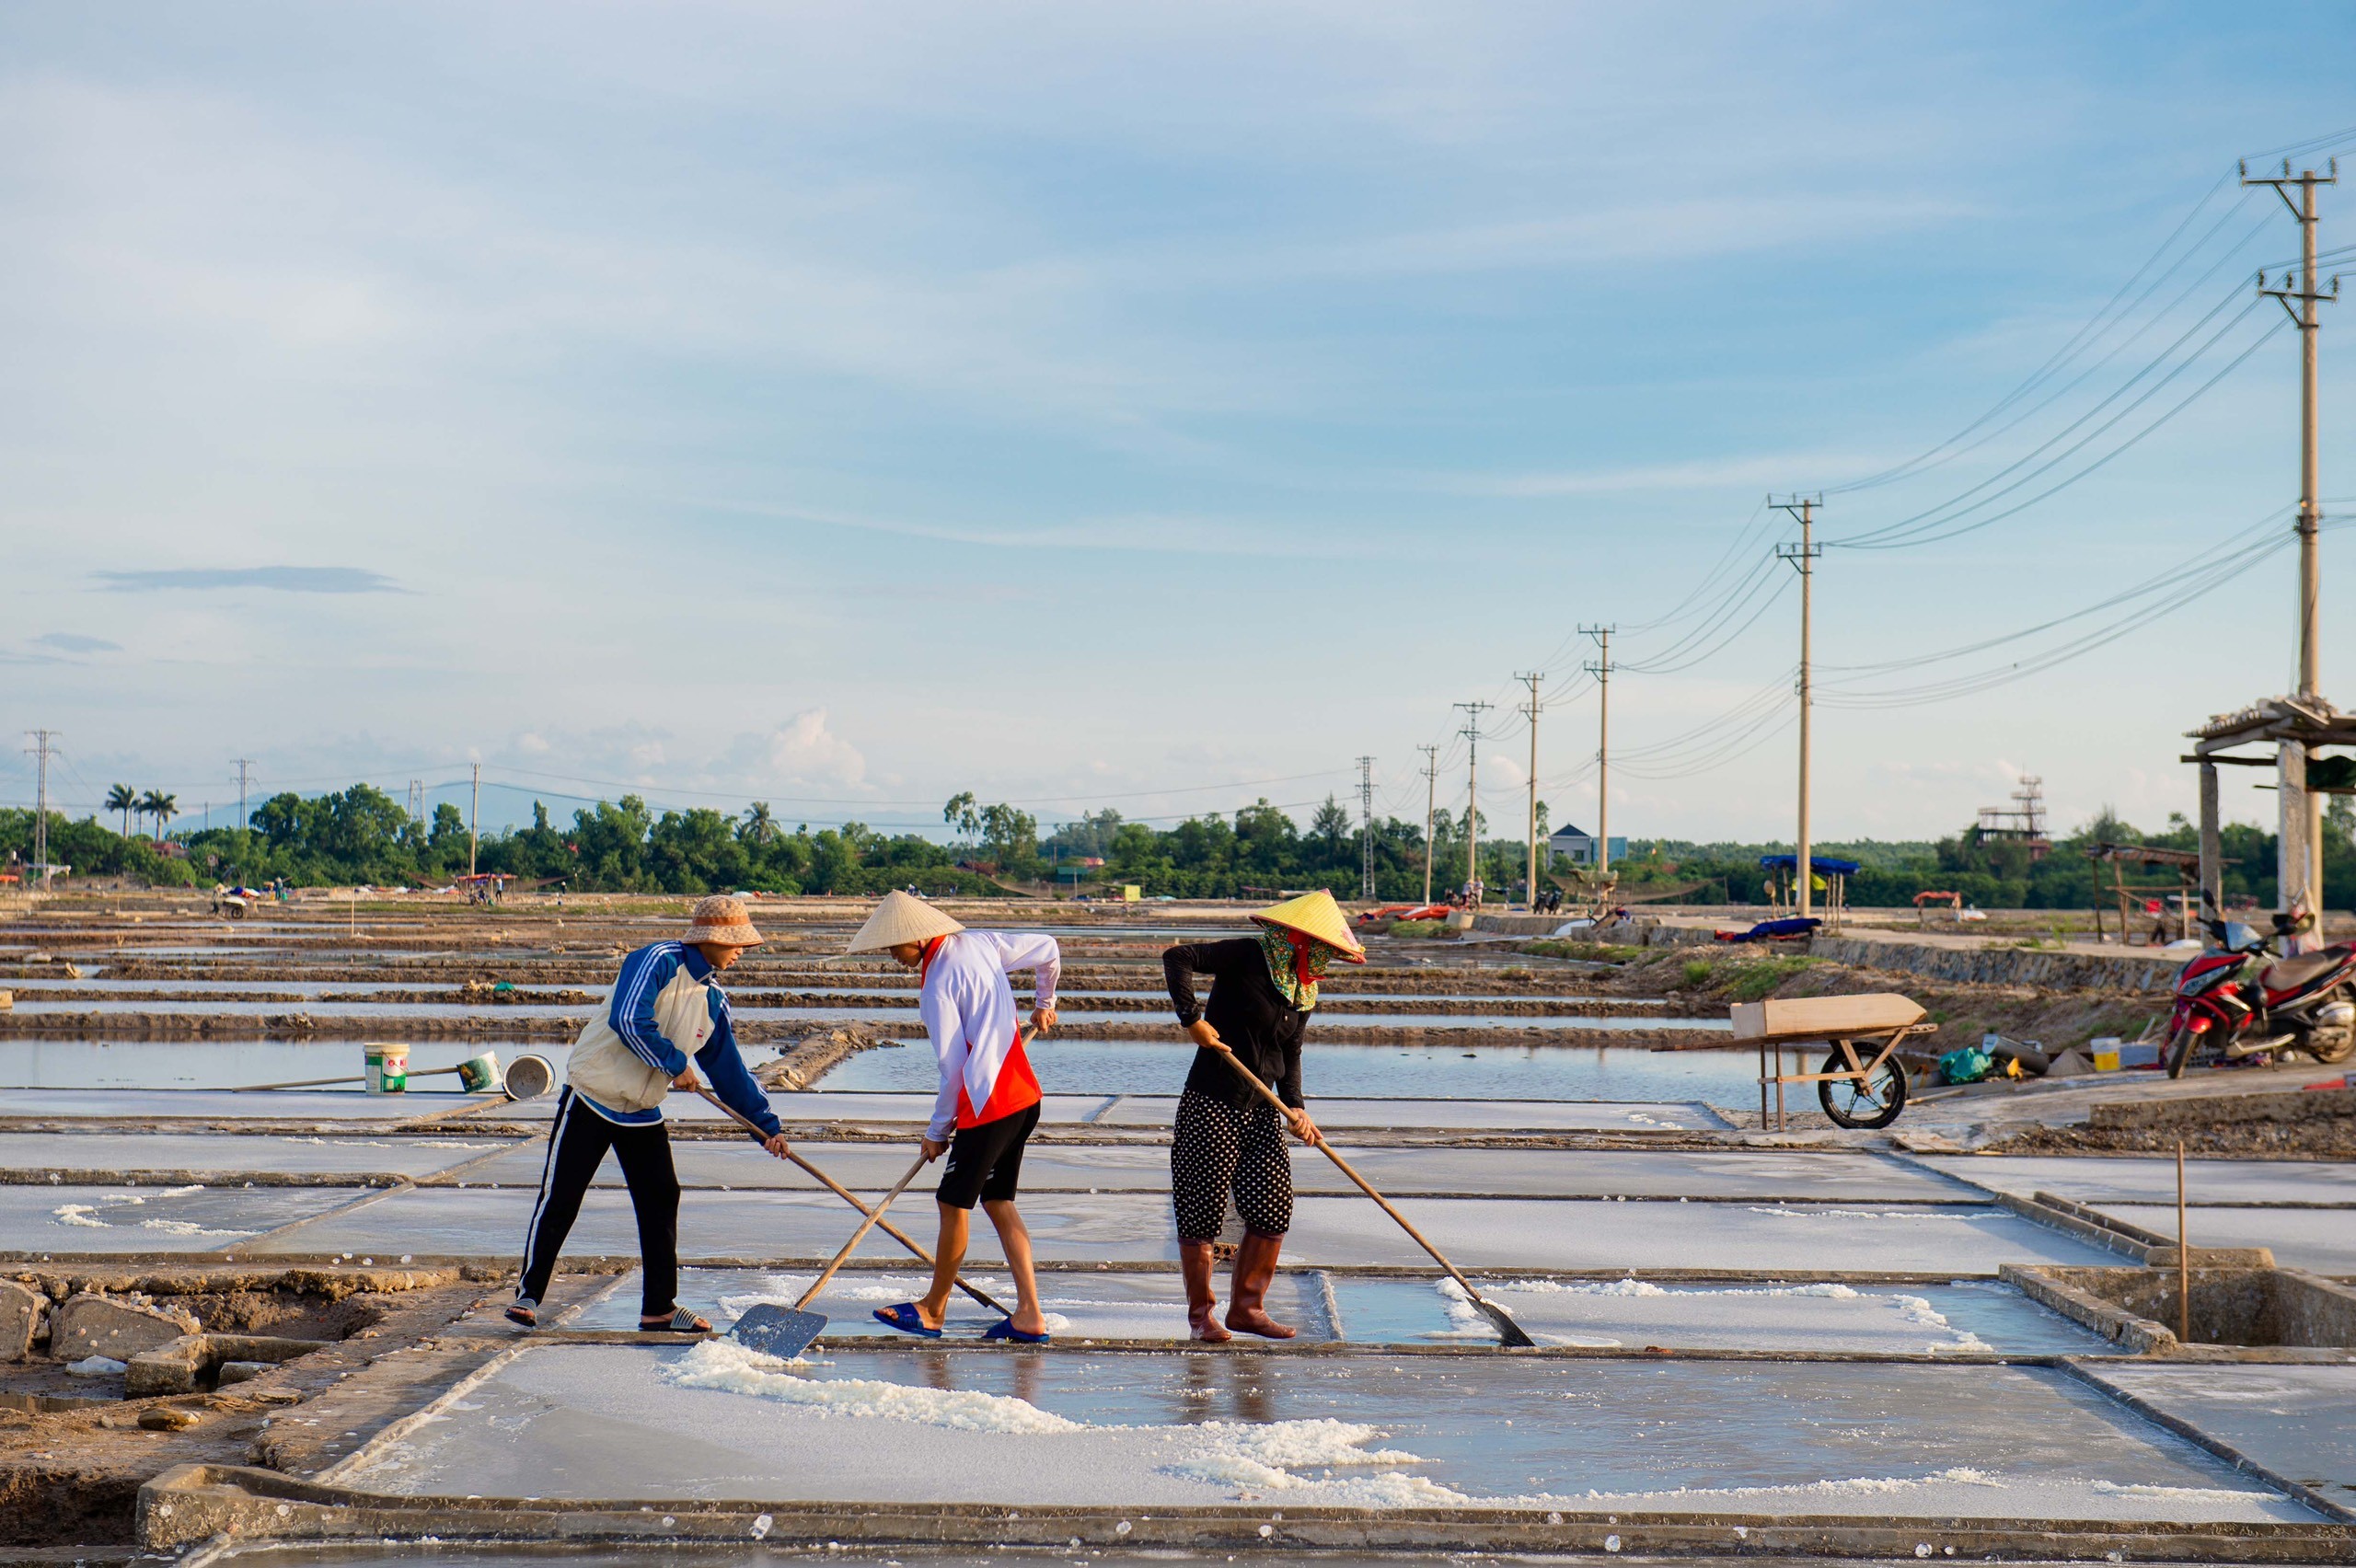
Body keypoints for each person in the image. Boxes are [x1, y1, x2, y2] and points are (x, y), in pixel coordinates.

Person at [509, 894, 791, 1332]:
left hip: (640, 1109)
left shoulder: (714, 1000)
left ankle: (658, 1307)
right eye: (737, 943)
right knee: (562, 1194)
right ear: (711, 938)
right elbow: (628, 1019)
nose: (741, 951)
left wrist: (766, 1128)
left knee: (662, 1197)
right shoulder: (656, 960)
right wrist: (674, 1063)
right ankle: (530, 1292)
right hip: (593, 1093)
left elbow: (731, 1072)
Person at [847, 891, 1061, 1342]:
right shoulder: (980, 943)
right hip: (1024, 1098)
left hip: (989, 1105)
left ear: (919, 937)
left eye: (894, 945)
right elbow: (1048, 947)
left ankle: (933, 1309)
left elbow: (953, 1067)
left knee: (951, 1203)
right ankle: (1029, 1314)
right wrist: (1045, 1001)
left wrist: (936, 1131)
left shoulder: (937, 982)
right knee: (999, 1202)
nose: (892, 955)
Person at [1161, 890, 1365, 1342]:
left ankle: (1247, 1308)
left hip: (1261, 1111)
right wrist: (1191, 1018)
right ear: (1300, 939)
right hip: (1212, 1100)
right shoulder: (1249, 954)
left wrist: (1296, 1107)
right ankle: (1201, 1317)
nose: (1327, 960)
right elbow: (1177, 957)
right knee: (1202, 1212)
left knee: (1273, 1208)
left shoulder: (1301, 987)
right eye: (1324, 950)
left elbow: (1290, 1052)